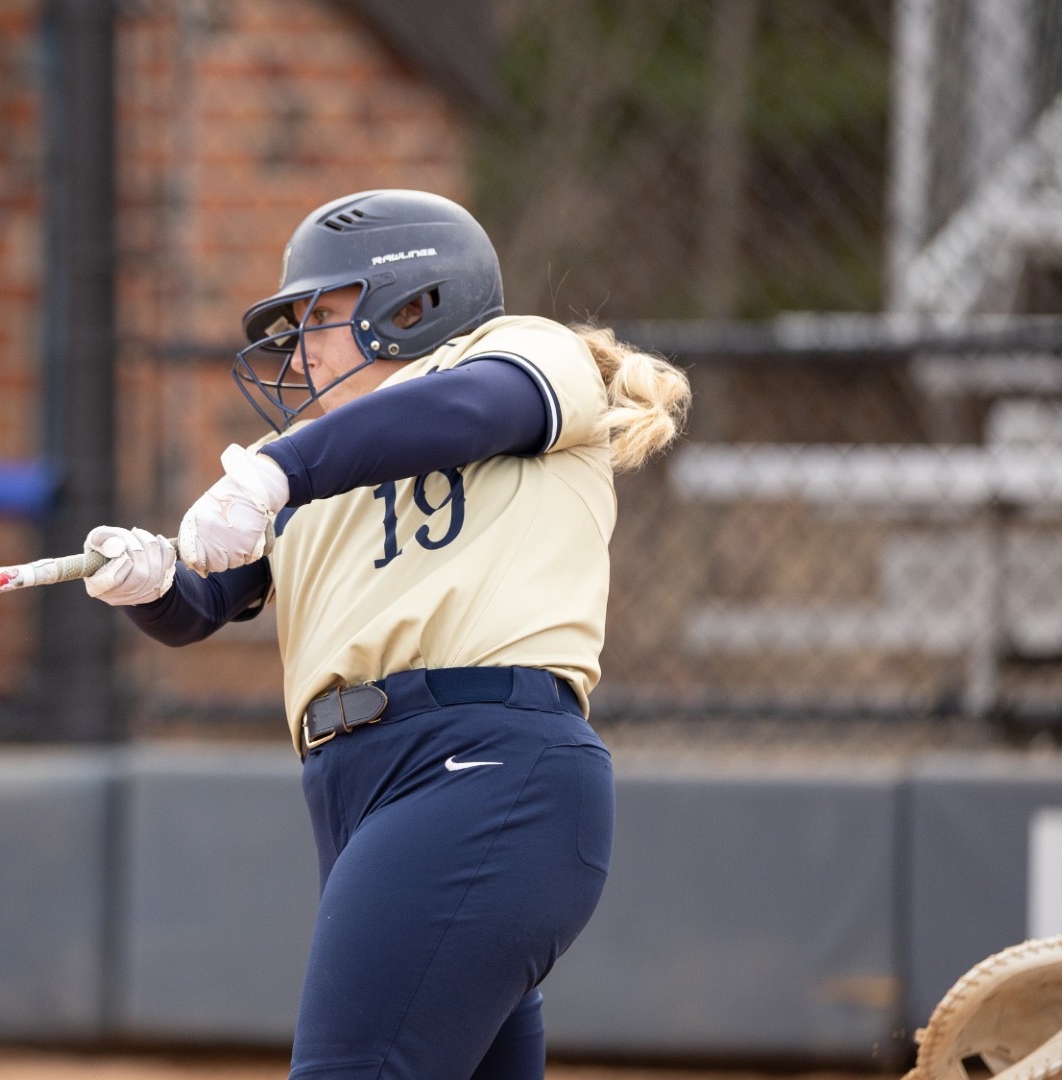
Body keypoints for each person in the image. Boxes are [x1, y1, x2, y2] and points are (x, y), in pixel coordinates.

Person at [83, 189, 690, 1079]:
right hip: (362, 796)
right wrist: (149, 582)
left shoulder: (521, 353)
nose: (298, 349)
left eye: (319, 317)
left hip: (479, 766)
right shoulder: (320, 464)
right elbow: (204, 607)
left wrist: (274, 473)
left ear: (412, 306)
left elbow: (467, 411)